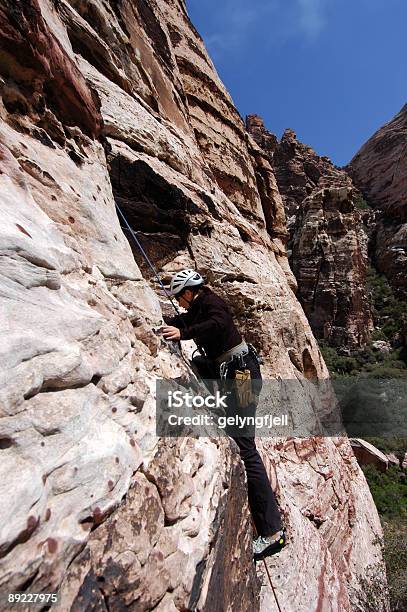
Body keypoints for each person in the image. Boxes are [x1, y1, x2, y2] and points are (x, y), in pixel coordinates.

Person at [162, 269, 286, 561]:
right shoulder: (201, 305)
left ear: (189, 292)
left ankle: (272, 533)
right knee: (201, 362)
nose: (180, 303)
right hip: (236, 372)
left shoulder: (213, 304)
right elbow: (188, 320)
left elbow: (216, 324)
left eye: (180, 297)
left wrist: (184, 332)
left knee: (246, 448)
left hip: (242, 377)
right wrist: (173, 324)